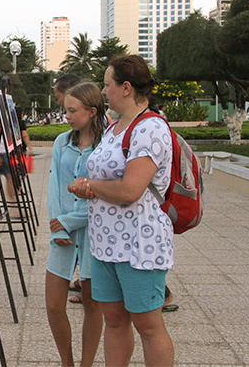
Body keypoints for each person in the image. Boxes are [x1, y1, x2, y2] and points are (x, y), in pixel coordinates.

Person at [69, 54, 175, 367]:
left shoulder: (150, 128)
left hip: (139, 245)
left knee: (148, 324)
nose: (103, 92)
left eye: (107, 85)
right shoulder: (116, 126)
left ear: (126, 88)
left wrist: (90, 186)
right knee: (114, 320)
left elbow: (131, 190)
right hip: (106, 244)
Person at [46, 82, 104, 366]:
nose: (66, 116)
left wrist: (67, 221)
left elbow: (102, 196)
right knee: (54, 305)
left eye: (72, 110)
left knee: (93, 305)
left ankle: (86, 364)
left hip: (96, 234)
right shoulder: (61, 143)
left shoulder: (108, 146)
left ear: (92, 112)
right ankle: (67, 362)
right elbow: (55, 188)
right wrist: (59, 225)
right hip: (62, 232)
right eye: (65, 110)